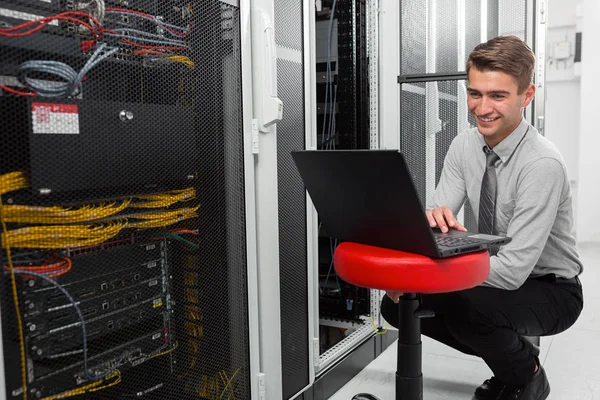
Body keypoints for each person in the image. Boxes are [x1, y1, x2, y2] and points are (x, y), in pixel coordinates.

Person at [381, 35, 584, 400]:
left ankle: (527, 375)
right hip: (489, 272)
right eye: (475, 93)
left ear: (527, 95)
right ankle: (511, 355)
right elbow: (441, 223)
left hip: (551, 287)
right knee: (398, 306)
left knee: (469, 309)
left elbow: (513, 270)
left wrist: (428, 278)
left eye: (498, 95)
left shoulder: (542, 164)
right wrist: (431, 222)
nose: (482, 107)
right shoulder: (463, 145)